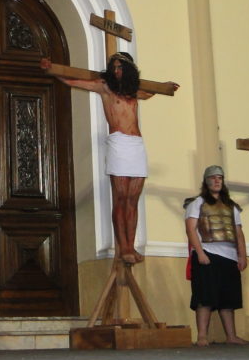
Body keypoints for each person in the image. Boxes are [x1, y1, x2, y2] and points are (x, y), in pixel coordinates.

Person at [40, 53, 178, 264]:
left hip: (136, 146)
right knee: (120, 198)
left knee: (132, 200)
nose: (116, 71)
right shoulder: (105, 87)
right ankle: (123, 247)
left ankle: (131, 245)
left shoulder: (134, 91)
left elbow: (152, 92)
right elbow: (73, 80)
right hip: (118, 144)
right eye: (113, 67)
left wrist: (166, 86)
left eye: (120, 67)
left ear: (128, 69)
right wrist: (52, 70)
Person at [183, 165, 248, 346]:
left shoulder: (231, 206)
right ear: (206, 181)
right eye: (213, 178)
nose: (217, 180)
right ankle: (202, 336)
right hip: (207, 253)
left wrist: (242, 255)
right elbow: (190, 229)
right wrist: (201, 253)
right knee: (205, 297)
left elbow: (238, 232)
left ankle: (231, 336)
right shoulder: (197, 203)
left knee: (228, 299)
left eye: (220, 177)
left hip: (229, 256)